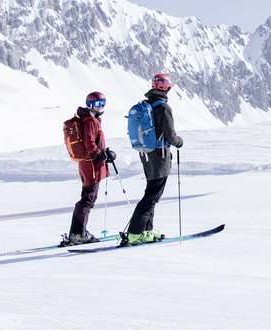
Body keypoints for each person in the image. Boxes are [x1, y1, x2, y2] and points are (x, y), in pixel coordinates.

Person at [122, 72, 183, 245]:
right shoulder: (163, 108)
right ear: (167, 88)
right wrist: (179, 142)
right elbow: (170, 135)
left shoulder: (147, 105)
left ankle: (147, 230)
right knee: (152, 195)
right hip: (159, 155)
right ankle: (134, 233)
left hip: (146, 154)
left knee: (151, 192)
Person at [60, 91, 116, 246]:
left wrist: (103, 153)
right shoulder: (91, 121)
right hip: (91, 164)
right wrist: (100, 154)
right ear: (90, 104)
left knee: (88, 197)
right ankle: (77, 234)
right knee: (88, 198)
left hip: (87, 163)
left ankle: (77, 232)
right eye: (98, 104)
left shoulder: (88, 119)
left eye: (103, 103)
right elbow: (89, 143)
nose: (101, 107)